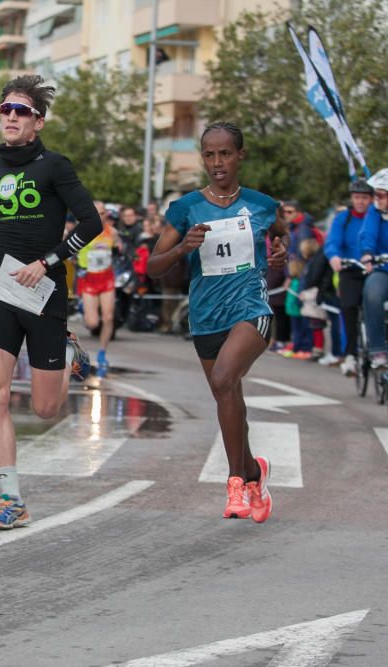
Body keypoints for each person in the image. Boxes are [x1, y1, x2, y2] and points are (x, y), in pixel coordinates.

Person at [0, 75, 101, 529]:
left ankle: (68, 349)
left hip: (45, 293)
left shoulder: (55, 166)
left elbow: (90, 223)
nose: (11, 117)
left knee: (45, 410)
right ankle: (10, 499)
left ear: (37, 122)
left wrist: (48, 259)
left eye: (21, 111)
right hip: (2, 292)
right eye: (6, 110)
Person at [148, 122, 286, 524]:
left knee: (225, 379)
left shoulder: (261, 204)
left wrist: (279, 254)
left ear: (240, 155)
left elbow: (281, 237)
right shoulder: (186, 208)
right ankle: (256, 472)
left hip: (251, 310)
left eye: (225, 153)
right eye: (209, 154)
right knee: (229, 400)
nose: (217, 162)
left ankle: (235, 483)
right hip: (207, 318)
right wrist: (181, 250)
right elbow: (153, 267)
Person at [323, 179, 379, 376]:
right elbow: (332, 242)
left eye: (365, 198)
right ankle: (350, 356)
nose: (361, 202)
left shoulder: (377, 217)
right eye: (357, 197)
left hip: (375, 269)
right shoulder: (343, 219)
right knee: (348, 307)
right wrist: (334, 256)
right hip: (350, 269)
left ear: (372, 199)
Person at [76, 202, 119, 376]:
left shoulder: (112, 232)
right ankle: (82, 308)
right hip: (89, 279)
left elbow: (119, 249)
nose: (100, 216)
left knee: (108, 317)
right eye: (97, 213)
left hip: (106, 278)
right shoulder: (83, 230)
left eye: (103, 213)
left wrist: (121, 250)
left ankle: (102, 352)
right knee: (92, 323)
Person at [358, 176, 388, 369]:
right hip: (383, 269)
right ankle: (377, 349)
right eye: (375, 194)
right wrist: (368, 254)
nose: (376, 199)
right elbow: (368, 234)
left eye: (380, 194)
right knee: (373, 295)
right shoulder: (375, 213)